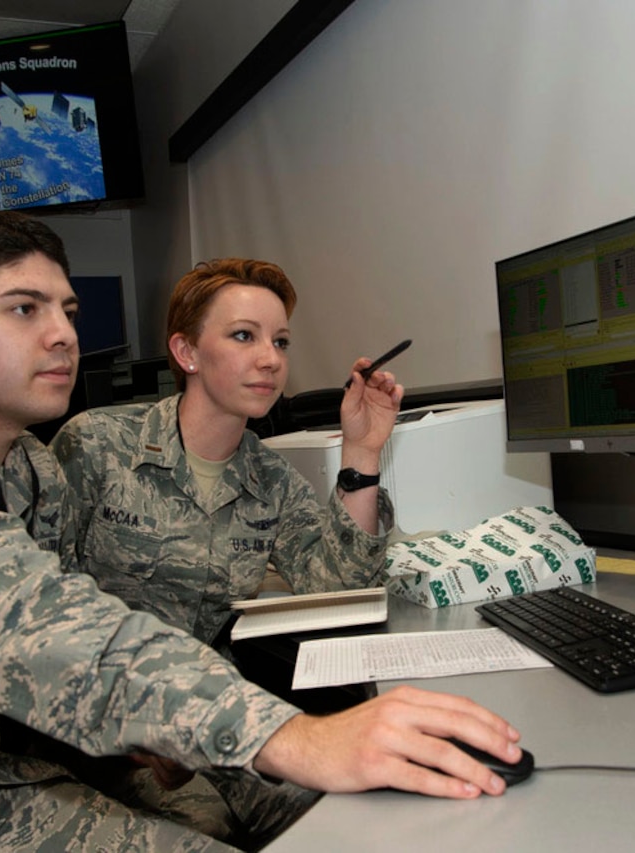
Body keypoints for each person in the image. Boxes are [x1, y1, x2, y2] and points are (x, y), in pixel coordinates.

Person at [0, 215, 523, 852]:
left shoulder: (28, 469)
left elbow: (340, 583)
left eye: (67, 311)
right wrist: (283, 731)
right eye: (24, 309)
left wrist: (360, 456)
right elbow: (22, 621)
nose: (63, 335)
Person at [48, 258, 417, 842]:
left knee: (339, 813)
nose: (271, 358)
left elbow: (340, 590)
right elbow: (36, 613)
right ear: (187, 352)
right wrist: (132, 719)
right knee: (203, 827)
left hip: (206, 723)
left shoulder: (268, 477)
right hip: (96, 734)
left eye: (281, 341)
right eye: (244, 336)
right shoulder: (96, 447)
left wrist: (362, 451)